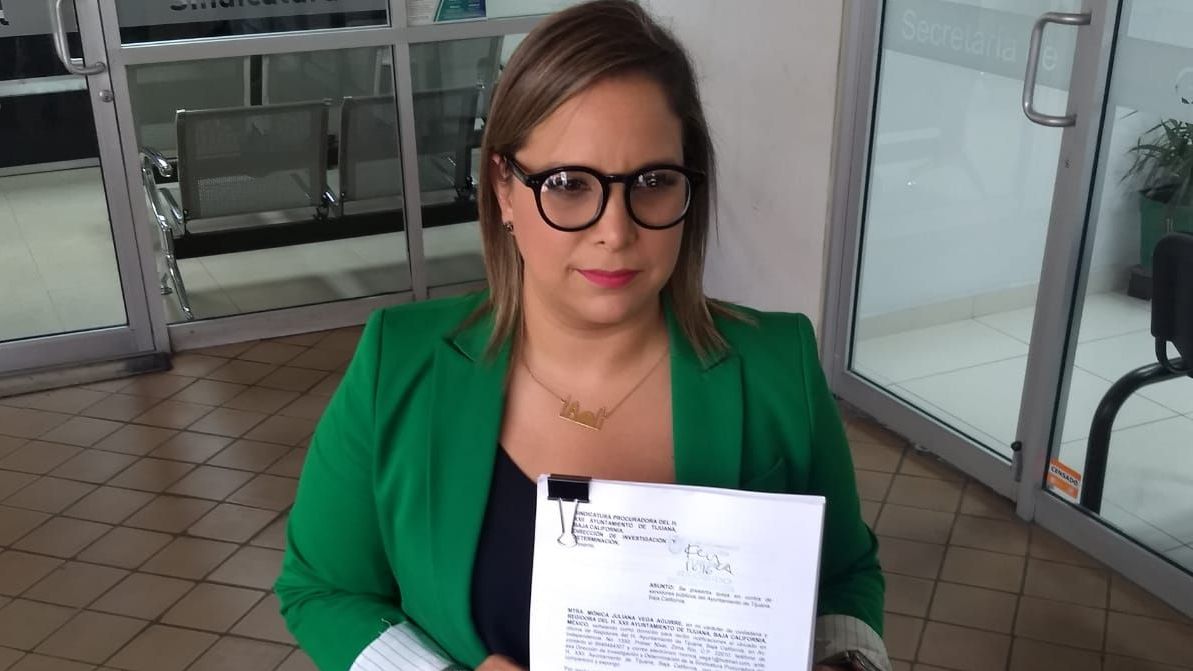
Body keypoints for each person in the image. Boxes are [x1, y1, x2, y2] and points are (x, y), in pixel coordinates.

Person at [275, 2, 890, 670]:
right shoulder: (398, 362)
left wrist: (846, 661)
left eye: (653, 182)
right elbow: (322, 588)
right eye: (568, 184)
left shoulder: (779, 365)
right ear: (504, 189)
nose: (615, 231)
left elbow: (843, 577)